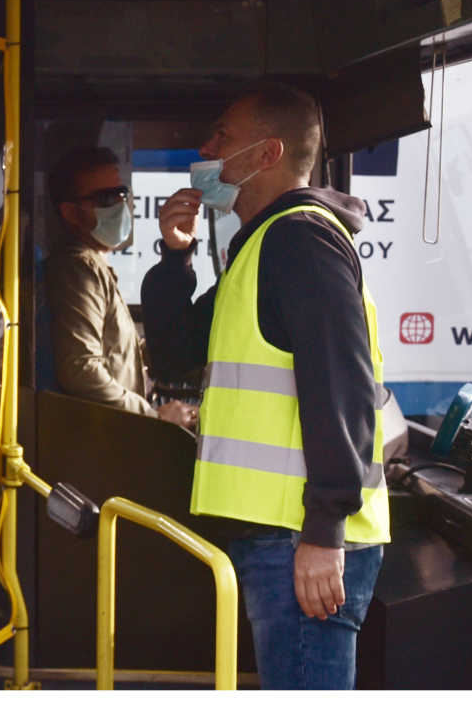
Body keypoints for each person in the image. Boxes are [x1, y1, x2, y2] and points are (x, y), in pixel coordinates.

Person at [141, 82, 389, 690]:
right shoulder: (260, 246)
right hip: (279, 536)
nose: (206, 148)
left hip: (301, 541)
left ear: (267, 153)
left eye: (222, 136)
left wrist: (324, 532)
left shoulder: (299, 239)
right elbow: (176, 349)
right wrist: (177, 259)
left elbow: (342, 384)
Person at [45, 146, 195, 427]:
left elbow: (114, 347)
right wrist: (153, 416)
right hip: (109, 434)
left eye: (121, 194)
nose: (118, 205)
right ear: (71, 213)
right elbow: (81, 369)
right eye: (104, 198)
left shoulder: (97, 264)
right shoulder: (79, 268)